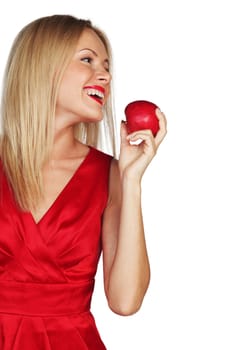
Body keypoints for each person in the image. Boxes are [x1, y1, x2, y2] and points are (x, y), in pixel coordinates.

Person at [0, 14, 167, 350]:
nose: (104, 75)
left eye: (106, 65)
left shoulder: (110, 176)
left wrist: (131, 180)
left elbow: (125, 302)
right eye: (87, 60)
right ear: (42, 66)